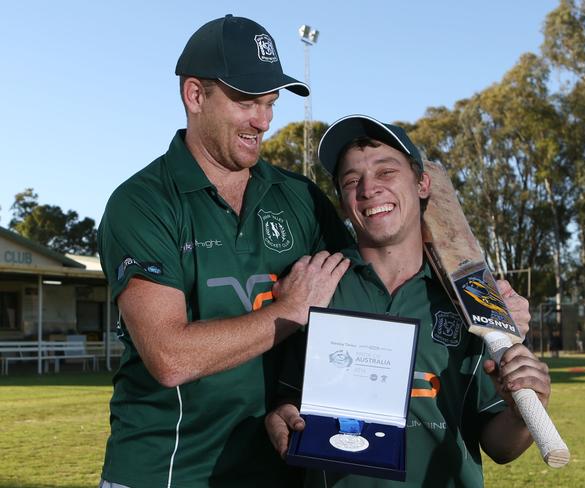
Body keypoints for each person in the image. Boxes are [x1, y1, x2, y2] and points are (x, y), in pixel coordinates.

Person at [97, 15, 353, 488]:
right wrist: (293, 310)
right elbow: (169, 356)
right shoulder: (143, 202)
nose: (265, 120)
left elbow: (367, 297)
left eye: (271, 103)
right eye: (246, 101)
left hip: (279, 468)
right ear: (195, 96)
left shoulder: (300, 198)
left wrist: (483, 301)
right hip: (168, 471)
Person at [265, 115, 552, 487]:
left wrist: (521, 412)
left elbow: (499, 446)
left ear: (422, 183)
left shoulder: (474, 298)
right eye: (352, 181)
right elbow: (286, 399)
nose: (369, 189)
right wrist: (282, 416)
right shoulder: (318, 285)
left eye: (386, 172)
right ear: (342, 200)